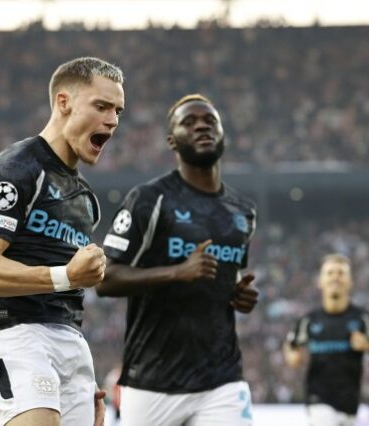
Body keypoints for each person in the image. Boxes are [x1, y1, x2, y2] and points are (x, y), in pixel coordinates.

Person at [0, 57, 124, 426]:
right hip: (13, 331)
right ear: (64, 103)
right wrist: (67, 276)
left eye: (118, 110)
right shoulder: (14, 169)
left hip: (70, 340)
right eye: (101, 106)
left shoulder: (85, 199)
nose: (113, 120)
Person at [96, 94, 259, 426]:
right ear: (173, 141)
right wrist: (176, 272)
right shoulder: (149, 200)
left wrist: (237, 295)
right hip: (153, 381)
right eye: (189, 122)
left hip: (222, 379)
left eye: (210, 121)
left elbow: (223, 280)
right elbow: (104, 279)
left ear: (223, 134)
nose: (201, 126)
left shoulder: (242, 212)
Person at [283, 253, 369, 426]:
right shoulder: (309, 321)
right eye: (330, 273)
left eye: (341, 273)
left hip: (350, 405)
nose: (335, 278)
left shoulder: (363, 319)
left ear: (350, 282)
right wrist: (293, 357)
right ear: (320, 281)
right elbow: (291, 345)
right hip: (318, 402)